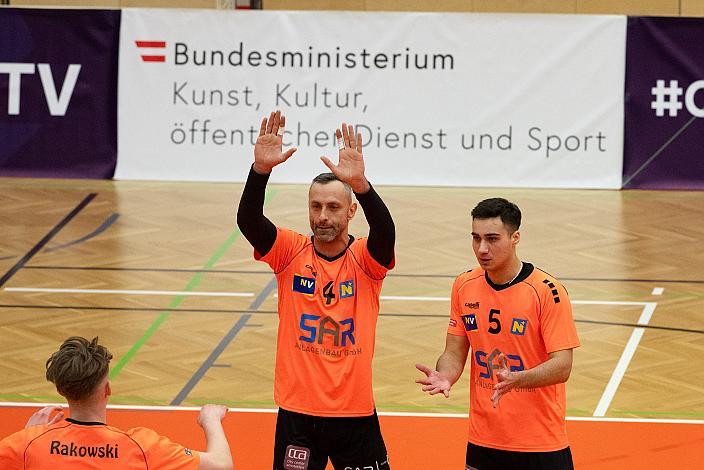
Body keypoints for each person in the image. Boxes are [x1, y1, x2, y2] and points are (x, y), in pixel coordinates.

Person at [237, 111, 395, 470]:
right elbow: (248, 220)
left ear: (351, 211)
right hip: (298, 414)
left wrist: (363, 186)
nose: (323, 216)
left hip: (354, 414)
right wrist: (260, 171)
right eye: (316, 206)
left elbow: (386, 234)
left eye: (333, 207)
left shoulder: (366, 261)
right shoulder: (289, 251)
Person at [416, 198, 580, 470]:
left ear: (515, 237)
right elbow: (454, 352)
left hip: (540, 443)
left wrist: (518, 379)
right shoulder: (464, 285)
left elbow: (563, 366)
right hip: (483, 440)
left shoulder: (547, 292)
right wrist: (445, 375)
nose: (482, 249)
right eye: (476, 238)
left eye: (492, 239)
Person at [0, 336, 233, 470]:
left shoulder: (28, 444)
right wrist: (211, 420)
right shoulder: (142, 446)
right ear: (108, 389)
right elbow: (222, 466)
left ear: (62, 389)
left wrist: (29, 435)